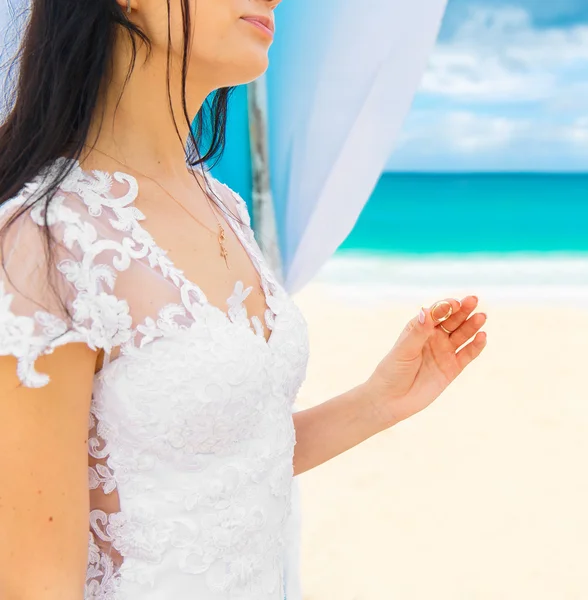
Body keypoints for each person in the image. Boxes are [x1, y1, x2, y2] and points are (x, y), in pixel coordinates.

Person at [0, 1, 488, 598]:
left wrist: (376, 401)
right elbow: (34, 581)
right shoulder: (45, 241)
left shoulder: (221, 206)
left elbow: (220, 469)